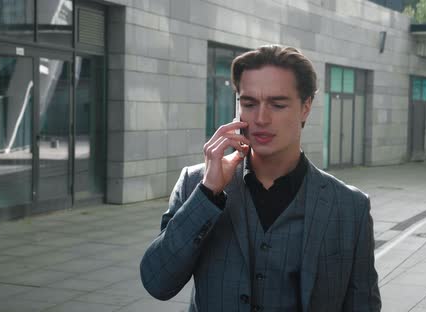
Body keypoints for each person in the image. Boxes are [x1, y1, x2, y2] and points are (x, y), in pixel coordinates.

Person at [140, 44, 381, 312]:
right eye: (249, 103)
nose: (261, 118)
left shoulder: (349, 207)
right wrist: (207, 193)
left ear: (306, 107)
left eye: (277, 104)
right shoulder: (196, 183)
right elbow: (157, 282)